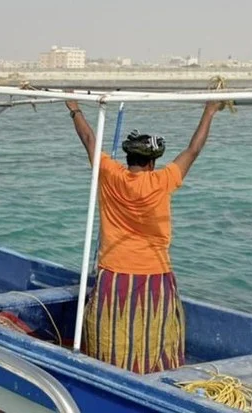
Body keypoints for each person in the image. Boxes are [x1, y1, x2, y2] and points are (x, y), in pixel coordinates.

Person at [65, 98, 224, 374]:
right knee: (155, 341)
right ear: (151, 163)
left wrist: (74, 108)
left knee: (111, 339)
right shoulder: (162, 181)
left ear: (129, 161)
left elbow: (88, 137)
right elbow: (193, 149)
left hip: (114, 275)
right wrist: (209, 111)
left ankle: (110, 375)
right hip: (155, 275)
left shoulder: (110, 174)